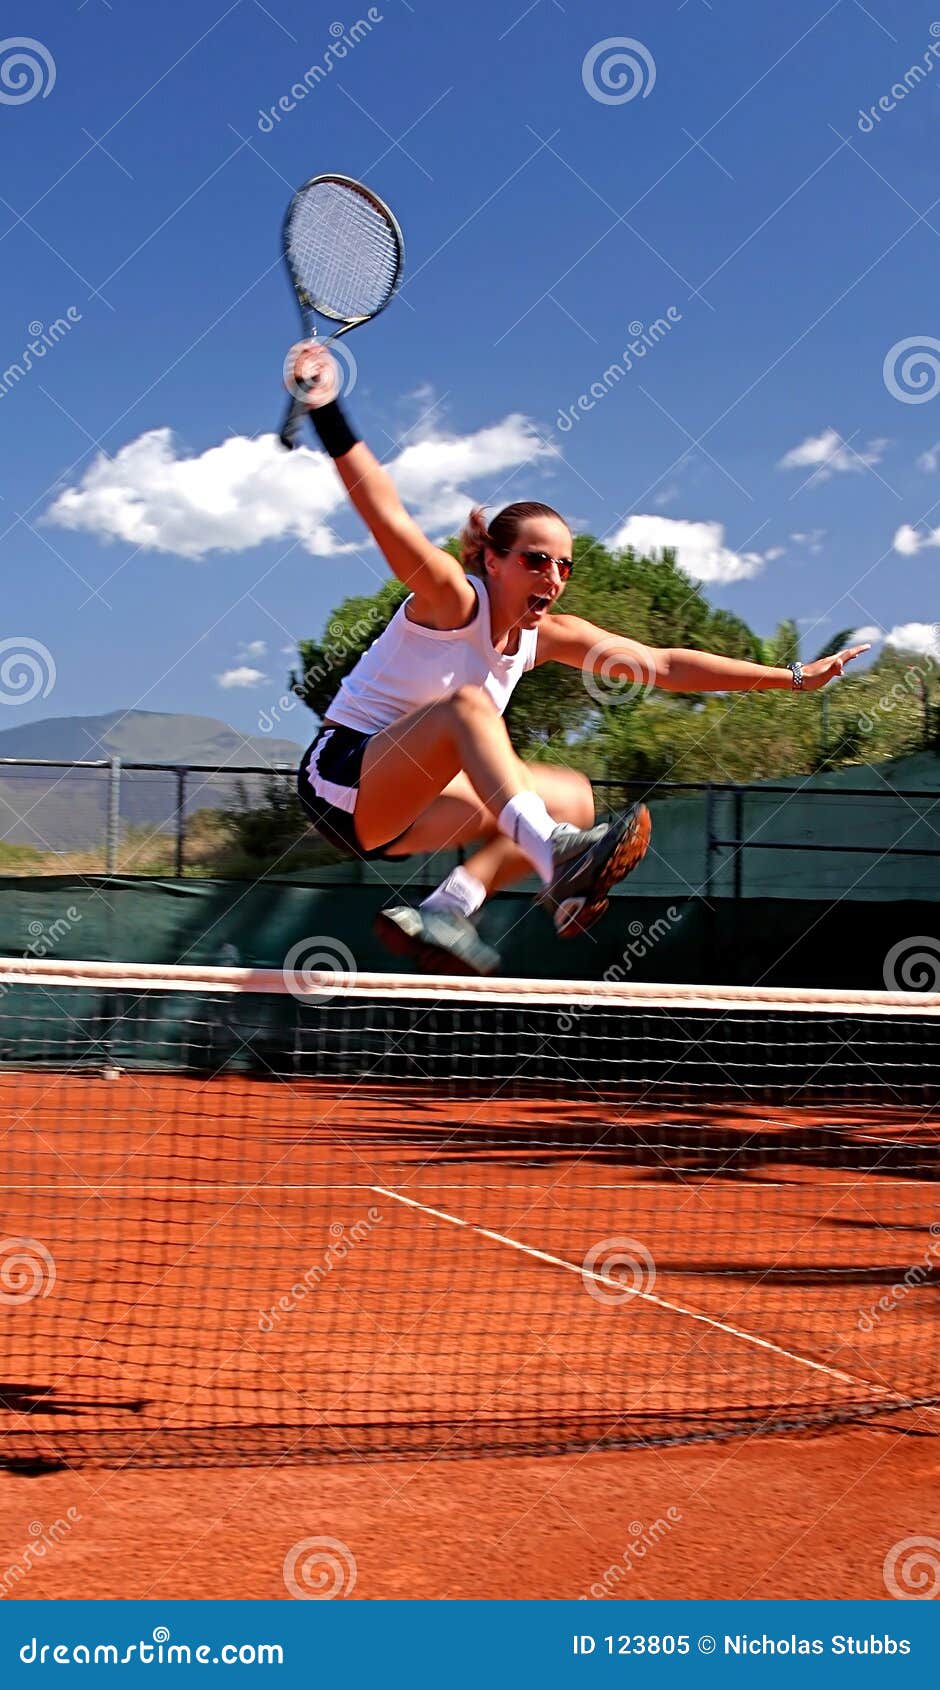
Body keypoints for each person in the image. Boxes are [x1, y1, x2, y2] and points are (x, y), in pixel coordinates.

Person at [289, 342, 870, 975]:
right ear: (492, 560)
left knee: (571, 797)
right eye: (535, 560)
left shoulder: (549, 635)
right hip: (342, 778)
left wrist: (791, 678)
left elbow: (666, 665)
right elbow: (387, 517)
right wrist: (325, 409)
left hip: (408, 811)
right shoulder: (453, 601)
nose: (554, 576)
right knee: (467, 710)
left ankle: (451, 907)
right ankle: (558, 856)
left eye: (564, 564)